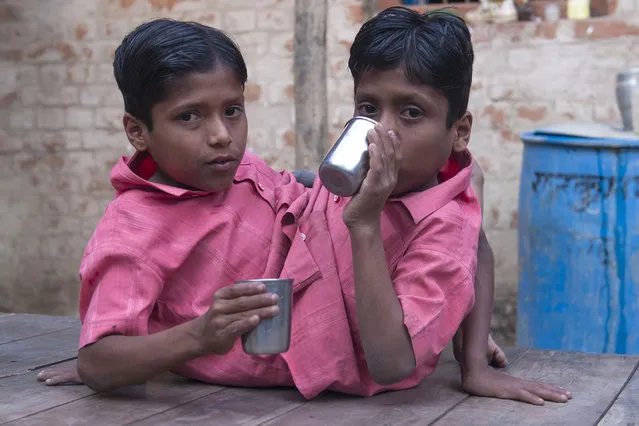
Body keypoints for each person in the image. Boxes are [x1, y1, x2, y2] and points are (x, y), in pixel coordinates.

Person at [37, 11, 570, 404]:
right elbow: (101, 363)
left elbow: (462, 252)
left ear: (459, 130)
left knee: (464, 188)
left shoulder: (252, 175)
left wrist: (470, 354)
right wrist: (142, 353)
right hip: (270, 350)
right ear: (139, 131)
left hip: (365, 337)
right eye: (367, 108)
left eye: (233, 111)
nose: (222, 136)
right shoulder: (138, 227)